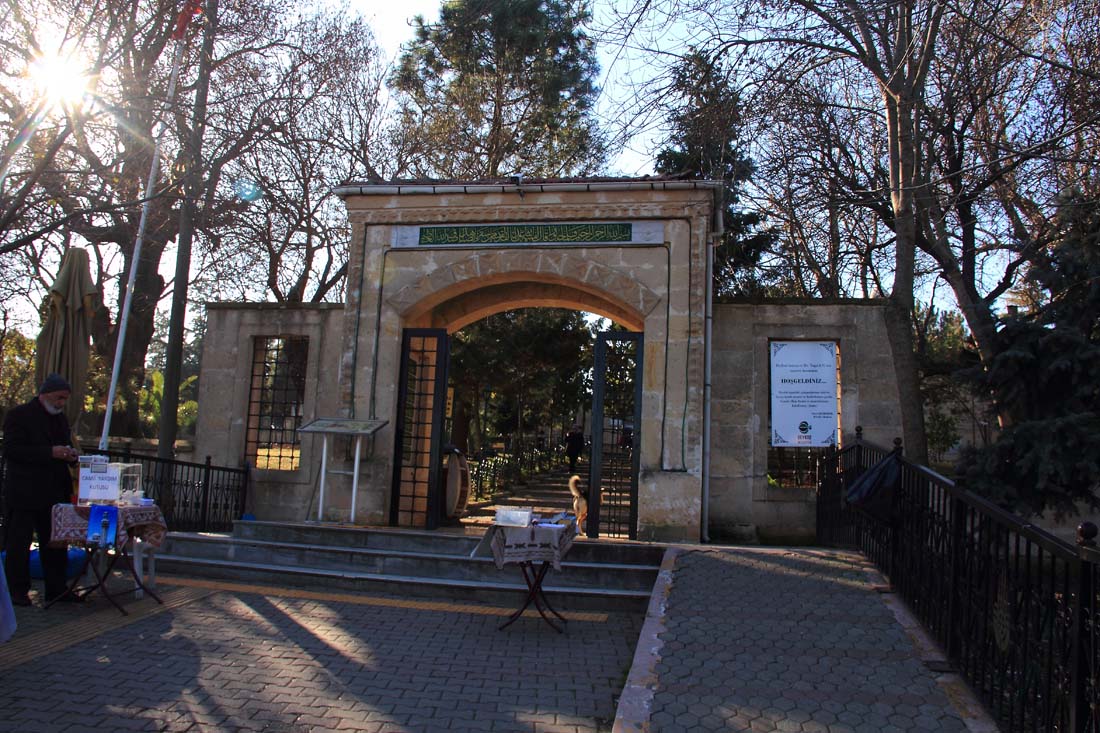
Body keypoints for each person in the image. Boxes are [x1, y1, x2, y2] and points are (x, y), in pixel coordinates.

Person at [2, 373, 80, 607]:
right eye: (59, 398)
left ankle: (56, 589)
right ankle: (17, 591)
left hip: (54, 492)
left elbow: (65, 444)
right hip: (24, 492)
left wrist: (70, 455)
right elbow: (12, 450)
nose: (61, 403)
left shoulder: (60, 419)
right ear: (45, 394)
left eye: (65, 399)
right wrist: (49, 452)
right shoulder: (19, 415)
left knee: (55, 543)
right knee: (19, 543)